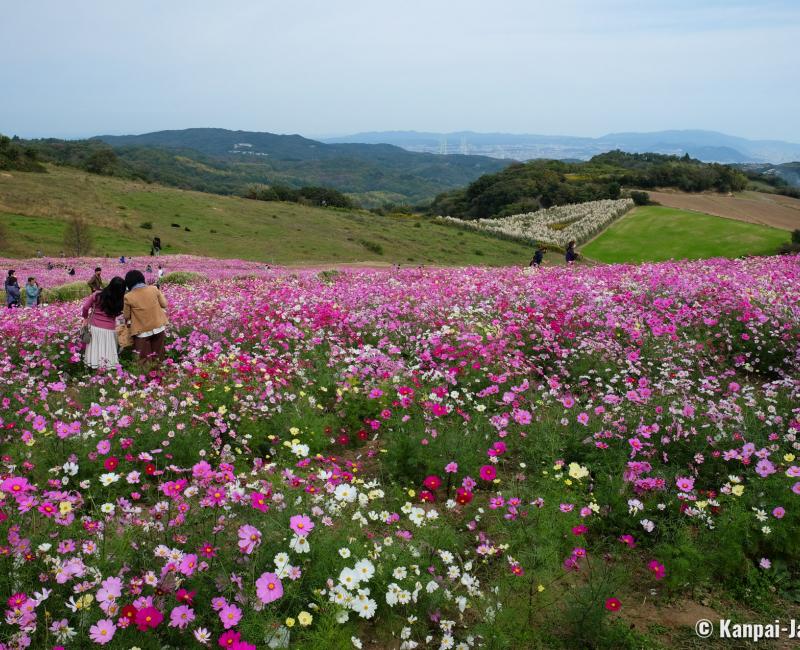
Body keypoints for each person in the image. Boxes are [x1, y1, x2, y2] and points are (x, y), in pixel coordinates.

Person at [123, 270, 168, 366]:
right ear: (142, 279)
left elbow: (126, 316)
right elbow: (164, 304)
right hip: (158, 327)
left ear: (128, 283)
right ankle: (159, 377)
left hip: (142, 331)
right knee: (158, 356)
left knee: (143, 359)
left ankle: (146, 379)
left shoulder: (128, 296)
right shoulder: (154, 289)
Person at [82, 277, 126, 370]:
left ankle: (93, 368)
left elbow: (85, 307)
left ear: (110, 284)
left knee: (95, 348)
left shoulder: (97, 295)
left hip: (95, 327)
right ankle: (107, 369)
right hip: (110, 329)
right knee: (107, 349)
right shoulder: (120, 301)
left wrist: (85, 318)